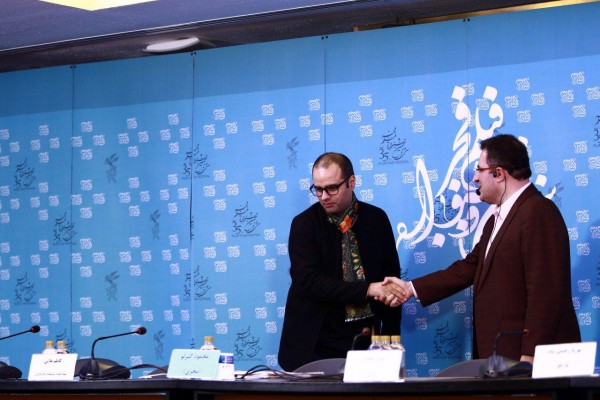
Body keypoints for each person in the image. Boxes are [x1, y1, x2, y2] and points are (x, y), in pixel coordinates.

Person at [381, 134, 580, 364]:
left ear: (498, 173)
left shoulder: (538, 211)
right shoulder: (496, 219)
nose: (475, 178)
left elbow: (545, 291)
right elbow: (469, 268)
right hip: (502, 356)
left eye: (479, 170)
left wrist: (532, 354)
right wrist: (410, 288)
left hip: (529, 359)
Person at [278, 152, 402, 371]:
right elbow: (308, 282)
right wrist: (368, 289)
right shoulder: (304, 224)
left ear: (351, 182)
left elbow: (391, 283)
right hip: (312, 342)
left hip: (364, 341)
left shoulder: (377, 220)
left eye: (332, 188)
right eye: (318, 189)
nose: (324, 196)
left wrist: (391, 343)